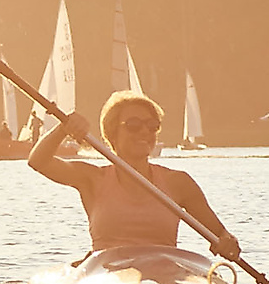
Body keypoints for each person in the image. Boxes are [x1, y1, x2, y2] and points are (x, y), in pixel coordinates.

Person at [31, 91, 240, 259]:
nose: (144, 132)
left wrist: (227, 241)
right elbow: (38, 161)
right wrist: (63, 129)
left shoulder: (178, 182)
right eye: (133, 125)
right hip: (106, 276)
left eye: (152, 126)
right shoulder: (92, 178)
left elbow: (220, 234)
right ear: (113, 133)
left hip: (162, 278)